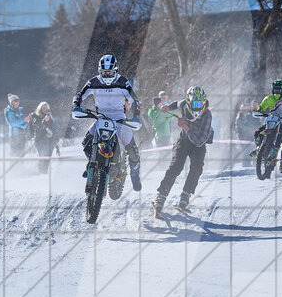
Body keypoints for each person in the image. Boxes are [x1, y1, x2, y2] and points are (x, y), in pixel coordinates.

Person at [72, 54, 143, 190]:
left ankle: (135, 176)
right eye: (104, 72)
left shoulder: (122, 81)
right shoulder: (93, 82)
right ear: (100, 71)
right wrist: (76, 105)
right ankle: (91, 164)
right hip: (101, 118)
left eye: (110, 72)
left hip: (119, 119)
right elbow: (80, 94)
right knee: (86, 142)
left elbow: (134, 99)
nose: (107, 75)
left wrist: (136, 115)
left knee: (133, 149)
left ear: (115, 70)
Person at [152, 86, 214, 215]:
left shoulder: (207, 115)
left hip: (199, 141)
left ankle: (186, 194)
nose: (196, 107)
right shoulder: (184, 104)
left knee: (197, 167)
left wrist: (185, 126)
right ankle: (161, 195)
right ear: (189, 102)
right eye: (194, 104)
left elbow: (199, 141)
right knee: (176, 166)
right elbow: (176, 104)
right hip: (184, 139)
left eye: (199, 104)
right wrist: (168, 107)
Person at [250, 78, 282, 174]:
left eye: (279, 90)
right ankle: (258, 149)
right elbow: (260, 109)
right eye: (275, 89)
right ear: (272, 89)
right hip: (270, 122)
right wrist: (258, 113)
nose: (276, 92)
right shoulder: (268, 98)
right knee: (256, 133)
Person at [30, 101, 60, 174]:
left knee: (48, 157)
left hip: (50, 141)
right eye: (43, 108)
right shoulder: (36, 116)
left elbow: (54, 129)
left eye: (46, 108)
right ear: (40, 109)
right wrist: (44, 121)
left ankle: (44, 172)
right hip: (39, 140)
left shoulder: (50, 118)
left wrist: (56, 139)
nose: (45, 109)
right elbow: (37, 127)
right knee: (42, 156)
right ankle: (40, 172)